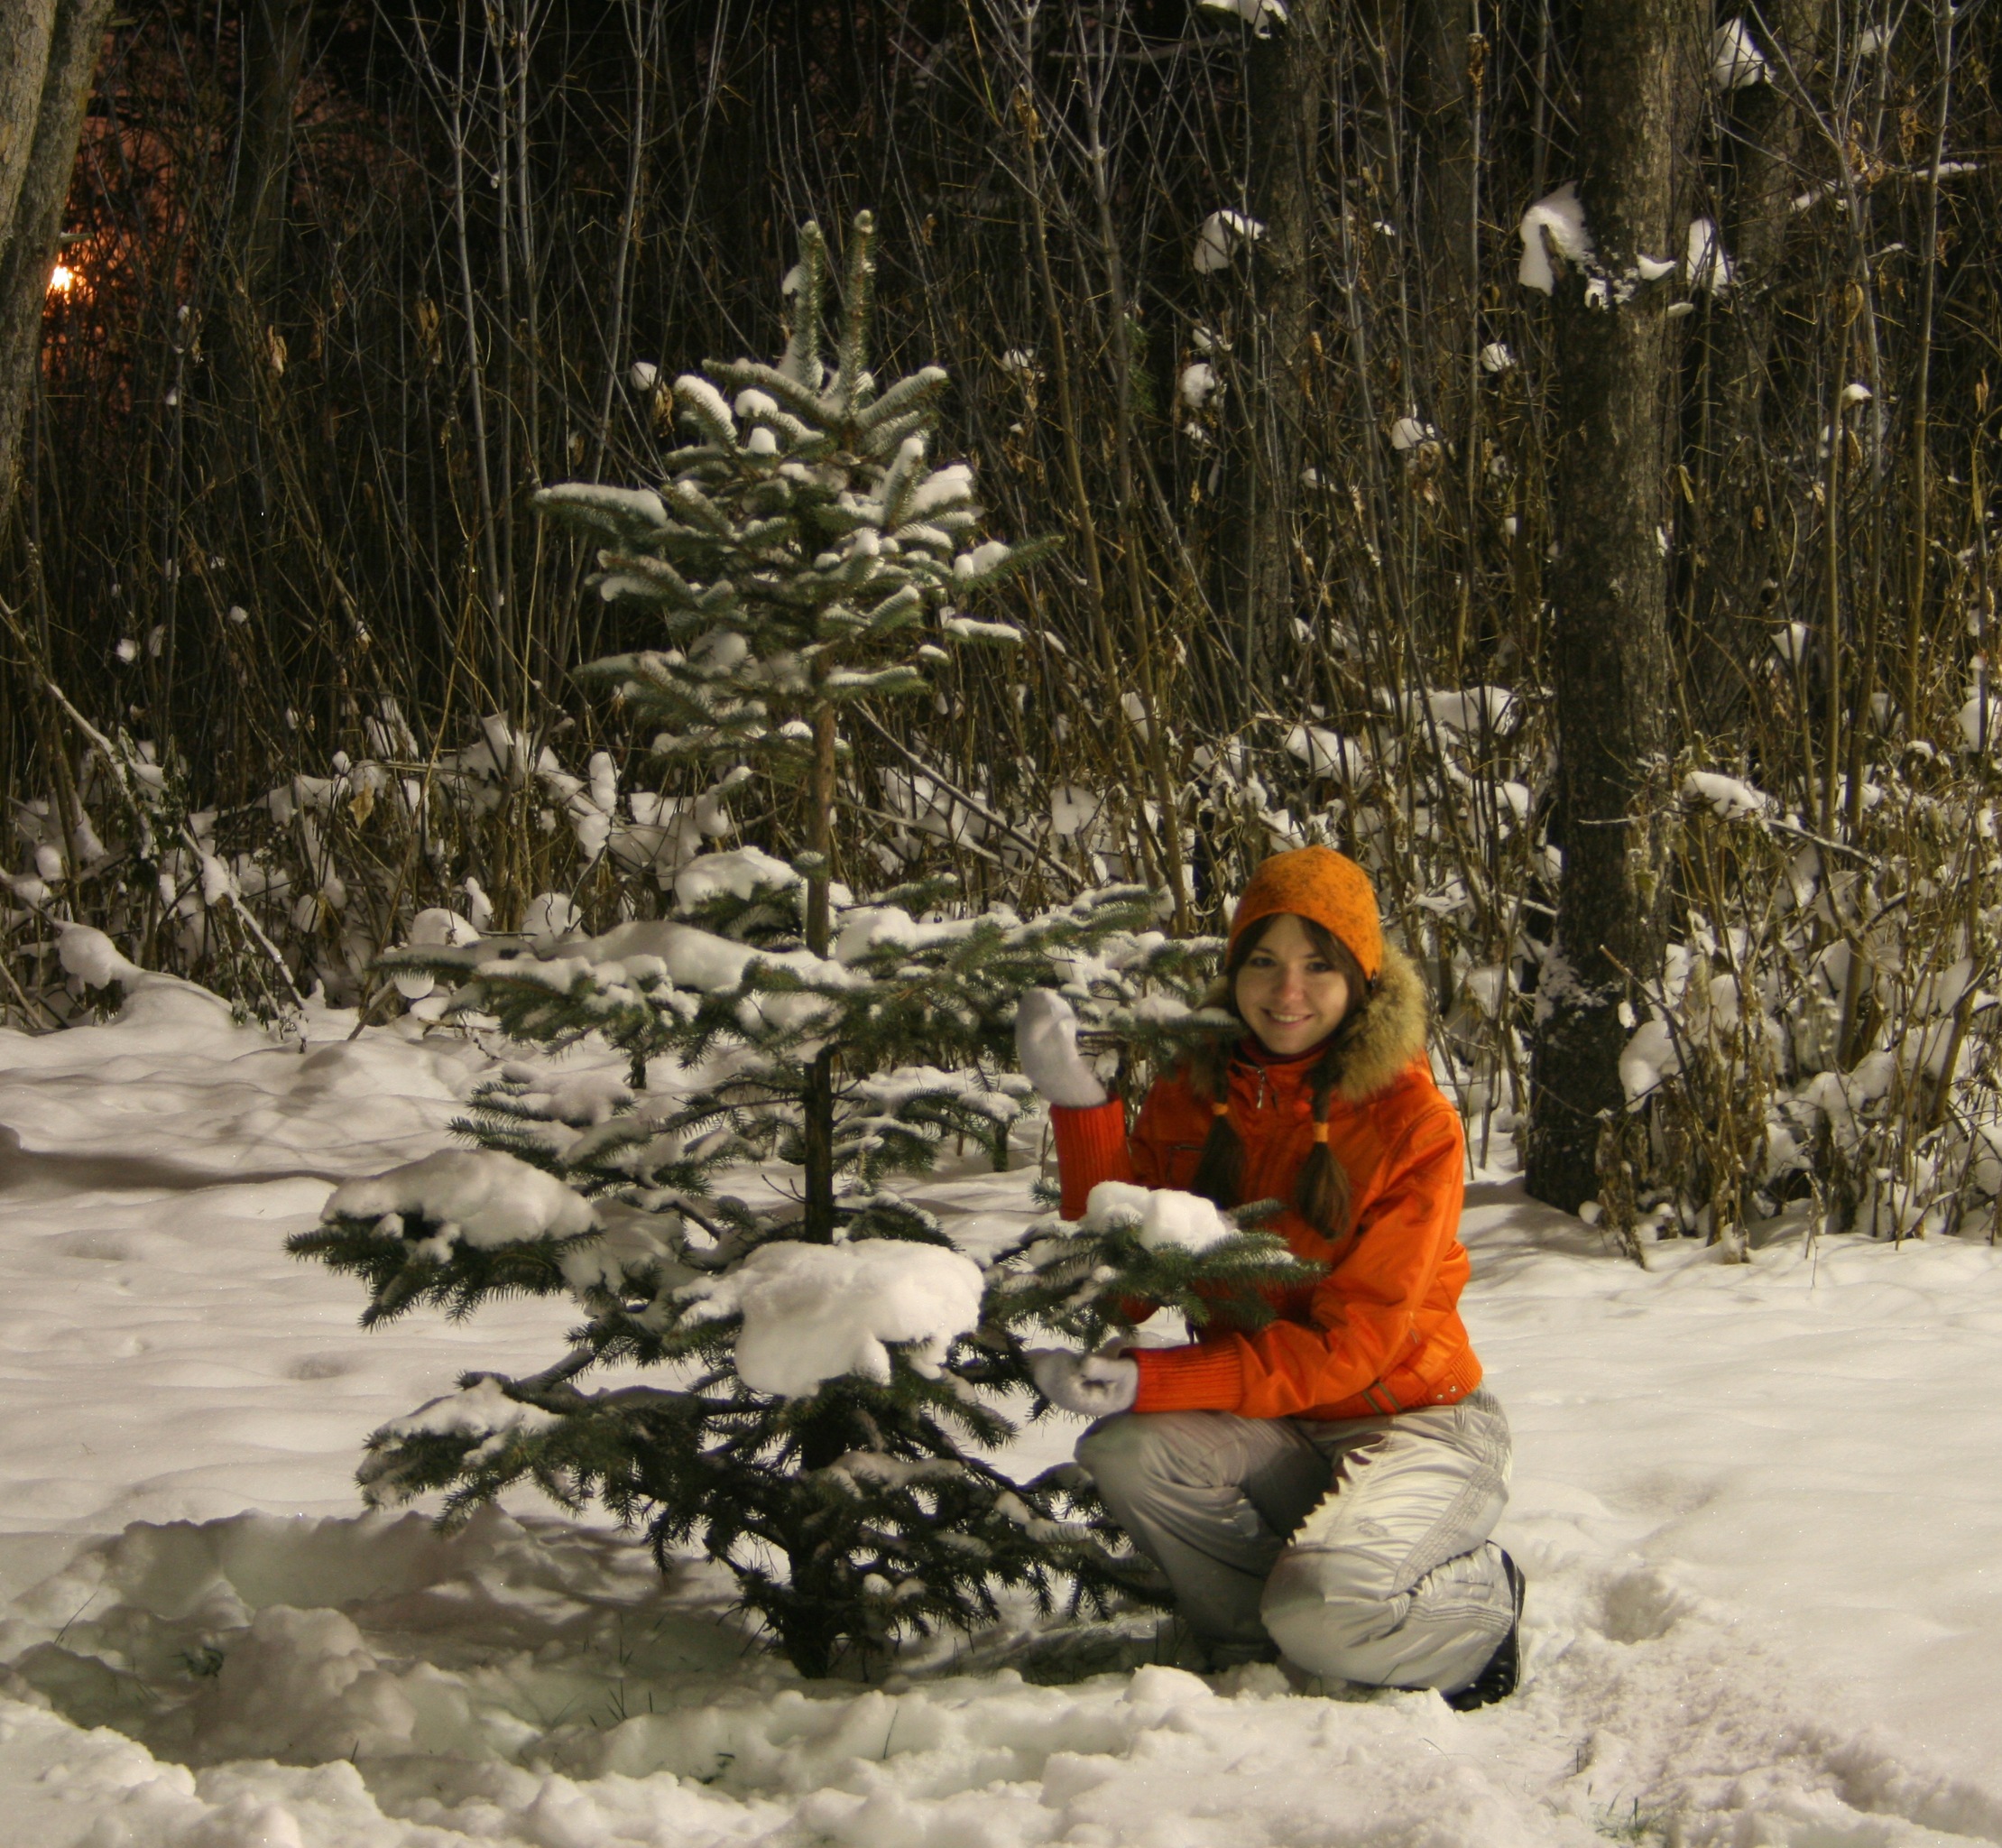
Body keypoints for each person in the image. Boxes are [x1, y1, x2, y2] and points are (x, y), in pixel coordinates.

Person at [1014, 845, 1522, 1707]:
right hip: (1274, 1427)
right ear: (1234, 970)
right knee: (1127, 1450)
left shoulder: (1412, 1122)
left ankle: (1483, 1606)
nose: (1287, 992)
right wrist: (1080, 1107)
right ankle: (1256, 1648)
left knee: (1330, 1609)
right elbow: (1130, 1283)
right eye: (1263, 961)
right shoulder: (1193, 1089)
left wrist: (1159, 1378)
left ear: (1360, 977)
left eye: (1317, 965)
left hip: (1414, 1422)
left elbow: (1352, 1347)